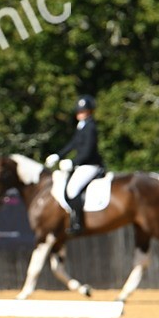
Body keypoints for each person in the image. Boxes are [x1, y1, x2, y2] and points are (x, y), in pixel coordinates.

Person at [46, 95, 104, 236]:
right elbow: (72, 144)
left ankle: (77, 222)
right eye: (79, 111)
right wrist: (58, 155)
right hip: (82, 165)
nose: (80, 113)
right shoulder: (82, 125)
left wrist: (73, 162)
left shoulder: (90, 127)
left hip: (90, 165)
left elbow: (88, 151)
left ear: (89, 111)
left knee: (72, 189)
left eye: (83, 111)